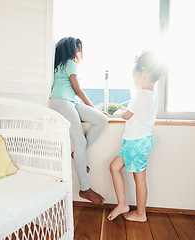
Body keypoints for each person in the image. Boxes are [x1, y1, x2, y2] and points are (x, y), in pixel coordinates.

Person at [49, 37, 108, 205]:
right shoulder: (69, 63)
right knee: (80, 141)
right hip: (61, 102)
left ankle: (78, 153)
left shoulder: (60, 64)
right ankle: (85, 189)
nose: (79, 52)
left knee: (102, 120)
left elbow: (74, 94)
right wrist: (94, 107)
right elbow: (78, 90)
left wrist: (95, 111)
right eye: (78, 48)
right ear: (72, 49)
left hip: (70, 102)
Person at [108, 51, 165, 222]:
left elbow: (126, 115)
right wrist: (126, 112)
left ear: (145, 76)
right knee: (114, 167)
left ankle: (141, 214)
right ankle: (123, 204)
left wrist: (117, 111)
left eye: (135, 77)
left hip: (136, 142)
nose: (134, 82)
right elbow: (136, 113)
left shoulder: (140, 95)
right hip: (139, 141)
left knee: (139, 179)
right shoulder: (152, 96)